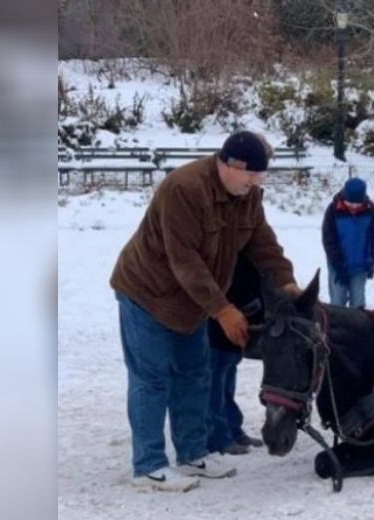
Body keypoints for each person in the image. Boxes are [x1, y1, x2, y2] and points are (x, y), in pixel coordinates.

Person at [111, 130, 300, 491]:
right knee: (151, 380)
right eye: (252, 175)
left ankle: (192, 454)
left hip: (193, 304)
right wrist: (223, 310)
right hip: (149, 294)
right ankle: (148, 465)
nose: (257, 183)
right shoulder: (183, 188)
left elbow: (265, 247)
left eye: (261, 177)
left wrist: (288, 284)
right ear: (232, 165)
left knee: (195, 376)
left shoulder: (249, 197)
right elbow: (184, 261)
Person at [206, 252, 265, 456]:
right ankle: (218, 437)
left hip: (239, 326)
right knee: (215, 382)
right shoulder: (223, 251)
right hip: (218, 324)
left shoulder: (246, 246)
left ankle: (233, 429)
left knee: (227, 379)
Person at [321, 177, 374, 309]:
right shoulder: (333, 210)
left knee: (358, 303)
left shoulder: (370, 210)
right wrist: (337, 263)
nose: (354, 207)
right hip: (338, 266)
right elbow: (328, 239)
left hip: (361, 266)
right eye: (350, 203)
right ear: (344, 197)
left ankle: (357, 329)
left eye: (357, 204)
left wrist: (373, 258)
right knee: (337, 303)